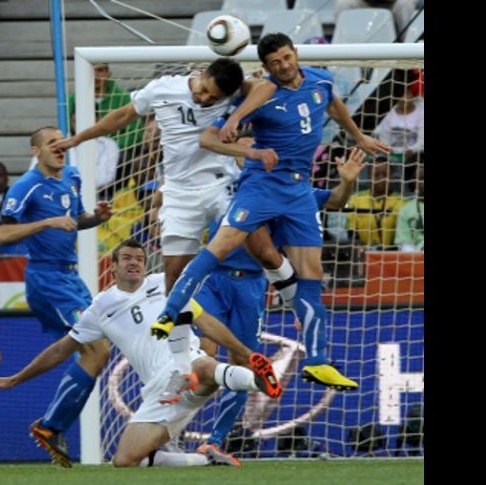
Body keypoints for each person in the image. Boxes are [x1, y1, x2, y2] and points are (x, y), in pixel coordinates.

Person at [153, 33, 391, 392]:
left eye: (286, 57)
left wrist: (358, 136)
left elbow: (334, 105)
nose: (283, 65)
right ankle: (169, 312)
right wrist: (242, 135)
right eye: (275, 62)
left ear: (295, 54)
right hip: (262, 185)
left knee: (312, 274)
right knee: (220, 245)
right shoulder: (260, 95)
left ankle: (317, 361)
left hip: (298, 190)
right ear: (266, 67)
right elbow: (208, 138)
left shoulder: (320, 82)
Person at [0, 240, 281, 467]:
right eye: (127, 258)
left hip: (184, 367)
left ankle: (259, 381)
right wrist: (16, 379)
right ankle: (206, 459)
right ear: (112, 266)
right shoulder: (101, 306)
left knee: (203, 367)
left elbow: (204, 321)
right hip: (157, 390)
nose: (134, 263)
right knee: (125, 460)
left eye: (139, 258)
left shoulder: (164, 285)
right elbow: (62, 349)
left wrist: (243, 352)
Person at [195, 146, 368, 457]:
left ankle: (215, 441)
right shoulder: (225, 183)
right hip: (214, 279)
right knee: (202, 355)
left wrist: (348, 181)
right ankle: (171, 426)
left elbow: (337, 200)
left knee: (243, 361)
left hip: (251, 285)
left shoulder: (294, 192)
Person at [53, 58, 279, 293]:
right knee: (174, 278)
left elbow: (265, 87)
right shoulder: (164, 88)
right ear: (202, 74)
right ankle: (178, 329)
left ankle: (297, 297)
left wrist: (234, 116)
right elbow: (122, 116)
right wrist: (78, 139)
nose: (204, 100)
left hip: (221, 186)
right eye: (204, 91)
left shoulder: (234, 92)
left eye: (213, 99)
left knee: (264, 252)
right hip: (179, 192)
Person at [0, 126, 113, 467]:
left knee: (96, 352)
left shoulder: (72, 177)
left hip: (71, 276)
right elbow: (2, 233)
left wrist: (95, 219)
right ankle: (49, 425)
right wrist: (44, 224)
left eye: (61, 141)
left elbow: (73, 221)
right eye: (51, 143)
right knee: (95, 346)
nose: (59, 146)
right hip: (46, 278)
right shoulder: (26, 186)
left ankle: (52, 427)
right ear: (36, 151)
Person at [344, 161, 406, 248]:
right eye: (376, 175)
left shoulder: (402, 202)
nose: (381, 178)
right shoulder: (356, 199)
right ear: (369, 176)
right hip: (363, 252)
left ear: (391, 176)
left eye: (385, 174)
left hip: (391, 254)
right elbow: (351, 230)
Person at [394, 166, 424, 251]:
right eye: (422, 178)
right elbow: (404, 243)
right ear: (415, 182)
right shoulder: (405, 210)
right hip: (416, 259)